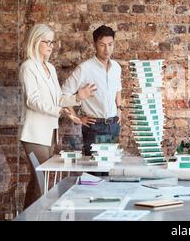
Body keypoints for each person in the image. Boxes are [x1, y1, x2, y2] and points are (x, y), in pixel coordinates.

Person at [19, 24, 96, 208]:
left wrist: (78, 98)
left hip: (49, 132)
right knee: (40, 180)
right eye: (46, 41)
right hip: (34, 134)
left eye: (52, 42)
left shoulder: (50, 68)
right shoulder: (28, 67)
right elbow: (33, 101)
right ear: (35, 41)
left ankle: (30, 217)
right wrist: (59, 111)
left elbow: (58, 98)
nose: (51, 45)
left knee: (40, 180)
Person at [62, 25, 122, 156]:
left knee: (110, 170)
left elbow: (118, 88)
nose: (107, 49)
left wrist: (119, 109)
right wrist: (76, 119)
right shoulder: (84, 69)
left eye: (110, 44)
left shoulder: (116, 67)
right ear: (94, 44)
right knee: (94, 172)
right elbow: (64, 93)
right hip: (94, 127)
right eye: (102, 45)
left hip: (113, 125)